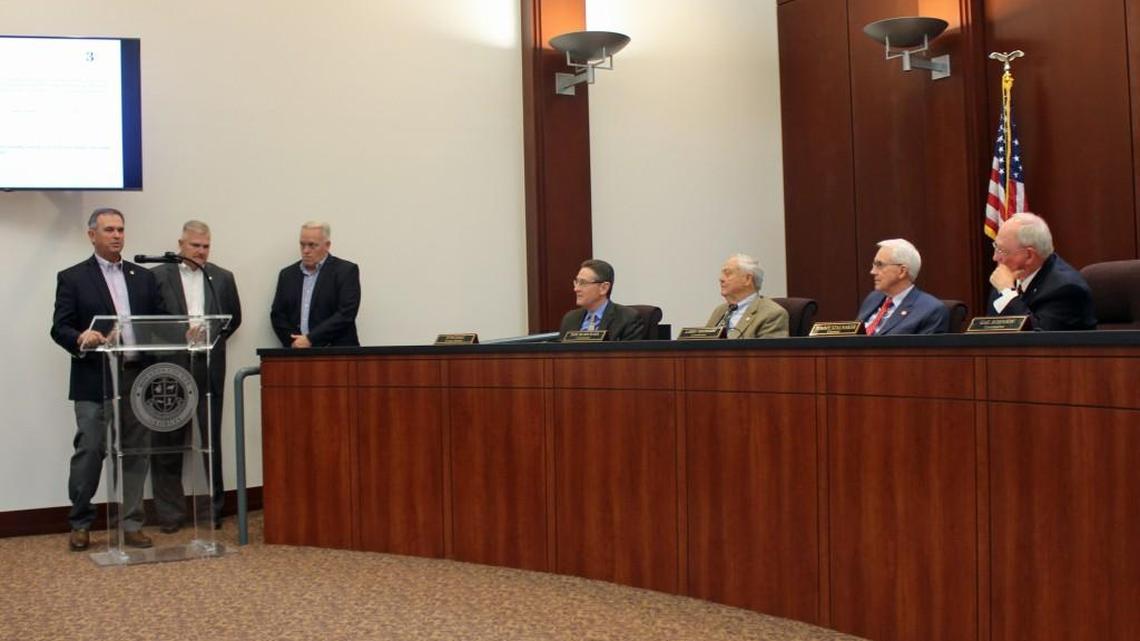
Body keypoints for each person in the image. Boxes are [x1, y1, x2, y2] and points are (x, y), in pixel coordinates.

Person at [50, 208, 166, 551]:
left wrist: (186, 328)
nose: (117, 235)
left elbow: (160, 322)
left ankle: (131, 523)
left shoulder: (142, 277)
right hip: (94, 378)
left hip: (135, 378)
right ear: (92, 235)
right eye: (109, 230)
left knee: (136, 451)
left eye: (120, 229)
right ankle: (81, 522)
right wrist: (80, 337)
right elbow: (60, 326)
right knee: (90, 449)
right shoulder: (72, 277)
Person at [150, 220, 243, 532]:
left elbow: (233, 319)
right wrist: (181, 334)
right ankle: (170, 515)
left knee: (210, 442)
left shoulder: (222, 277)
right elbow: (148, 321)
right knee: (167, 443)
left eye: (206, 246)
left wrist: (209, 337)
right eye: (195, 246)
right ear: (181, 243)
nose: (201, 252)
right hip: (169, 369)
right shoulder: (158, 275)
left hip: (208, 368)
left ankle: (212, 510)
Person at [988, 212, 1096, 330]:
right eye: (996, 247)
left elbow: (1038, 340)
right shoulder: (1006, 280)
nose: (995, 257)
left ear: (1029, 256)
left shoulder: (1066, 289)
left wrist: (1007, 293)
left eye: (1002, 251)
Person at [270, 221, 361, 347]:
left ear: (327, 245)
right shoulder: (287, 275)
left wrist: (310, 339)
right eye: (302, 245)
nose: (306, 250)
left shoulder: (345, 271)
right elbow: (278, 315)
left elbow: (346, 314)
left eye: (312, 245)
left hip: (337, 353)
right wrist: (294, 342)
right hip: (296, 355)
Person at [856, 238, 949, 335]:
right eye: (874, 265)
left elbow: (923, 350)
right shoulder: (873, 299)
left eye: (879, 265)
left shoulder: (931, 310)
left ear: (902, 271)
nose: (873, 272)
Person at [558, 259, 647, 341]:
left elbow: (628, 356)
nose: (576, 289)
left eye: (583, 283)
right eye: (576, 282)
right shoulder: (570, 319)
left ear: (604, 288)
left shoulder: (627, 318)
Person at [705, 253, 788, 338]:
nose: (721, 279)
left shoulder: (772, 314)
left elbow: (769, 351)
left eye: (727, 273)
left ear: (747, 279)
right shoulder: (720, 311)